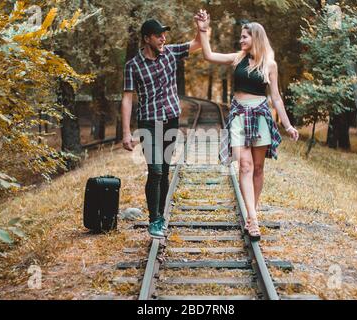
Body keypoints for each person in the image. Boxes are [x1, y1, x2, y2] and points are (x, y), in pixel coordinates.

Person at [195, 10, 299, 241]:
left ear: (256, 38)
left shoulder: (270, 65)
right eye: (241, 37)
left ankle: (252, 213)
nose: (241, 40)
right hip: (239, 115)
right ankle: (253, 218)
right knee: (244, 165)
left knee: (259, 168)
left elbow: (277, 98)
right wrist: (203, 29)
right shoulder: (238, 58)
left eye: (245, 37)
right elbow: (209, 55)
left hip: (261, 115)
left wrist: (288, 125)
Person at [121, 18, 202, 238]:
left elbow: (197, 44)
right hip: (149, 122)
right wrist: (126, 132)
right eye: (159, 35)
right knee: (155, 171)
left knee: (164, 170)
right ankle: (154, 219)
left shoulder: (171, 53)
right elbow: (127, 99)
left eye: (164, 34)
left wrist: (201, 27)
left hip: (171, 120)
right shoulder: (133, 66)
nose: (163, 38)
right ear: (147, 38)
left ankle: (160, 214)